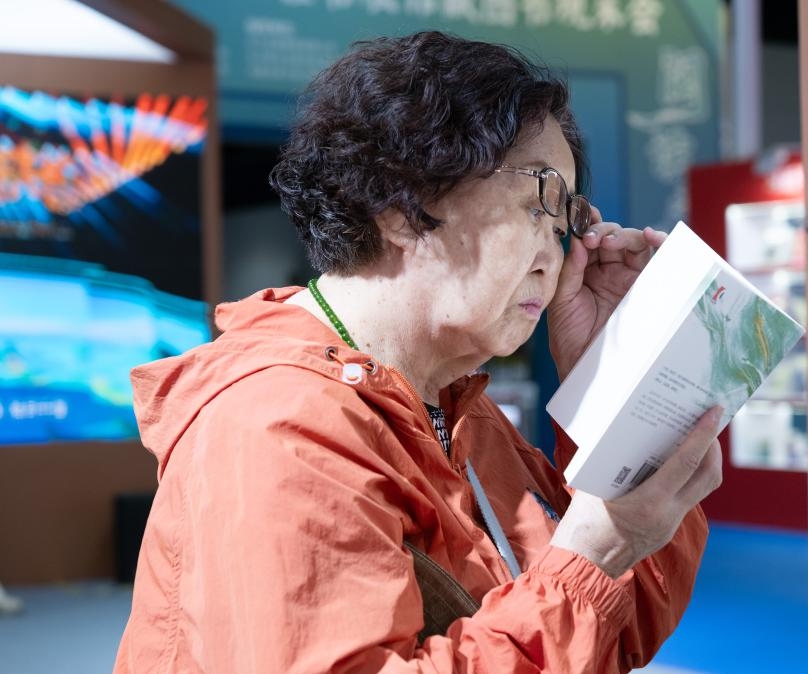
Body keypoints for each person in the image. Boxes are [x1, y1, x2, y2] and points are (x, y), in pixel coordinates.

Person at [115, 31, 722, 673]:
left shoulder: (452, 406)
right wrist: (592, 555)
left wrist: (608, 383)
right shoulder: (279, 427)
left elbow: (618, 637)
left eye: (567, 218)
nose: (563, 252)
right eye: (541, 202)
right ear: (400, 206)